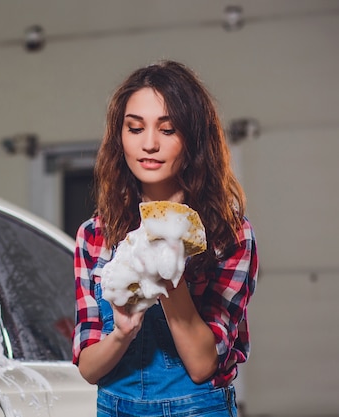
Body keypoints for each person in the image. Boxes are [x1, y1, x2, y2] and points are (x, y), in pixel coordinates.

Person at [72, 60, 259, 417]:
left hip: (198, 409)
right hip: (116, 409)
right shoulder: (95, 235)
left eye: (168, 129)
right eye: (135, 128)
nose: (150, 144)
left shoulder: (228, 234)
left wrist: (168, 273)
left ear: (193, 140)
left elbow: (202, 365)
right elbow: (88, 367)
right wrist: (122, 333)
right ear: (119, 137)